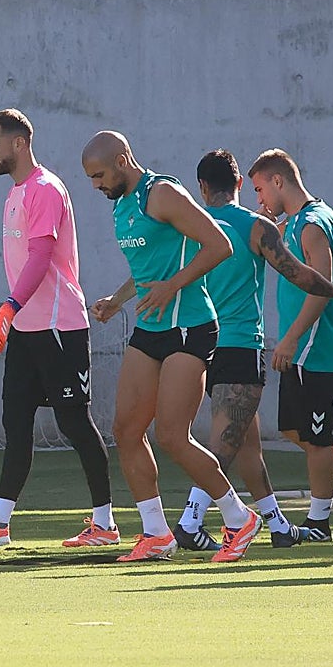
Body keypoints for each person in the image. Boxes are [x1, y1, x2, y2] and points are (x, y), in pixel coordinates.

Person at [84, 131, 261, 563]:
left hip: (191, 327)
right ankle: (156, 534)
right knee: (126, 431)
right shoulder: (122, 205)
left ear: (124, 159)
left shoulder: (161, 193)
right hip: (151, 327)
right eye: (90, 178)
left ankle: (240, 518)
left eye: (100, 175)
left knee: (171, 436)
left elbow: (220, 244)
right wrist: (118, 299)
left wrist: (172, 287)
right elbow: (149, 268)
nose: (96, 185)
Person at [0, 109, 117, 549]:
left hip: (60, 326)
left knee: (74, 422)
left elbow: (41, 258)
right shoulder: (17, 192)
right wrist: (13, 317)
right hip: (27, 328)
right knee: (15, 420)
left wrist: (6, 311)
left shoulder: (45, 189)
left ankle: (105, 523)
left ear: (19, 143)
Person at [169, 150, 333, 551]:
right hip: (240, 346)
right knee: (224, 443)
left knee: (246, 444)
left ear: (201, 187)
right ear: (239, 185)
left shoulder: (190, 227)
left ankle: (276, 525)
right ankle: (189, 520)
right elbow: (299, 272)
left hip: (200, 345)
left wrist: (116, 300)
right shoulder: (255, 227)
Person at [247, 149, 333, 541]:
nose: (259, 200)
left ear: (278, 181)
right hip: (301, 347)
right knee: (293, 428)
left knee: (318, 437)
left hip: (313, 348)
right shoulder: (299, 221)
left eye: (259, 189)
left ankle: (318, 523)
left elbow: (320, 290)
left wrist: (289, 339)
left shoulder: (313, 224)